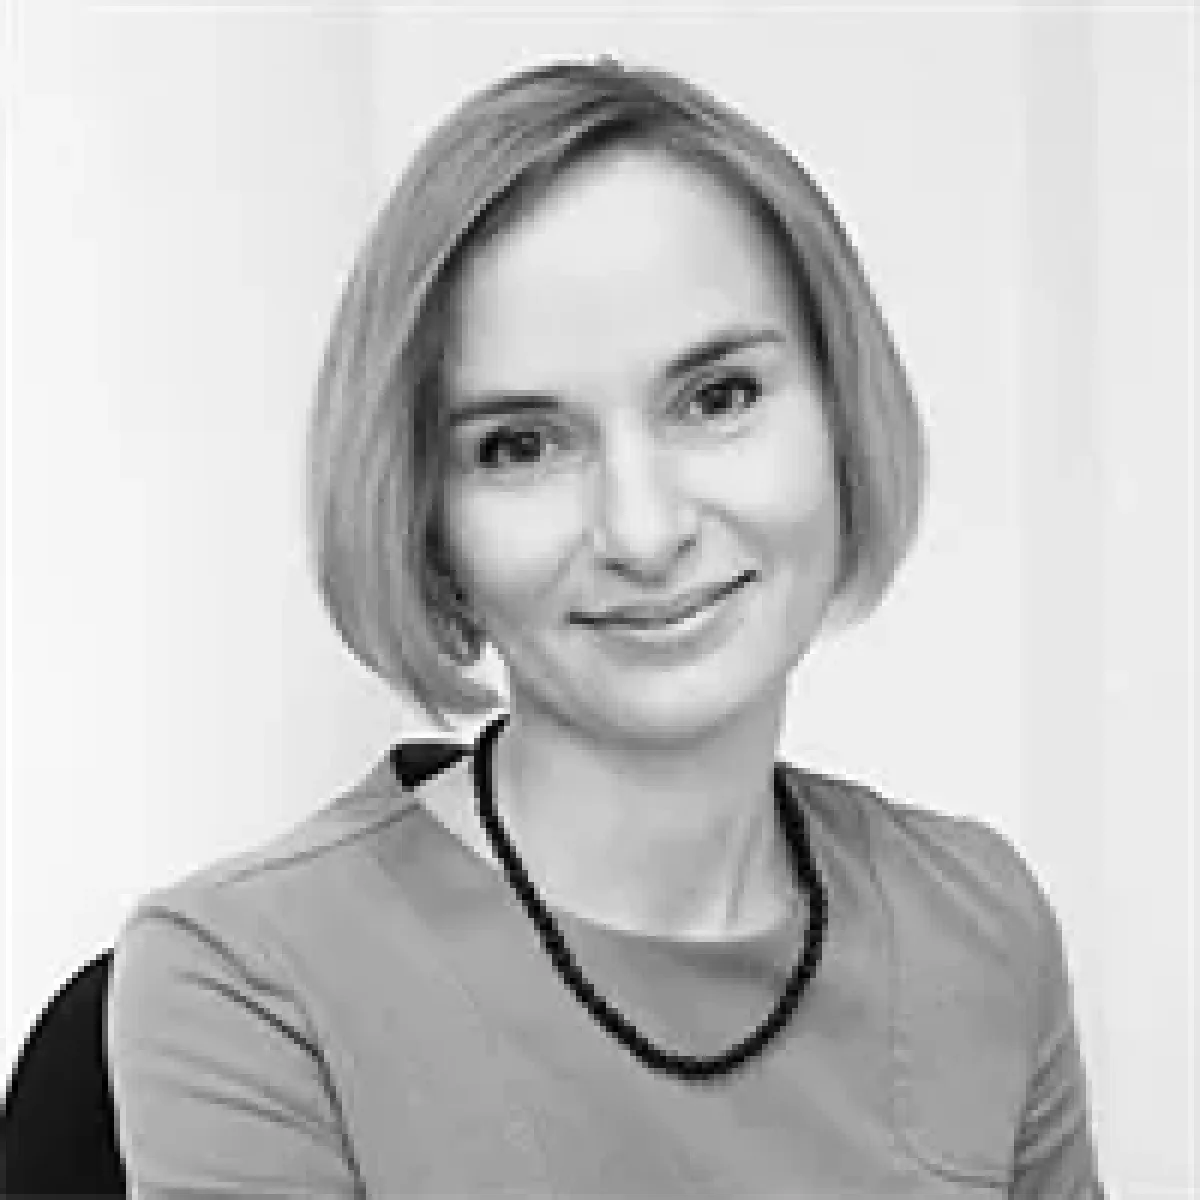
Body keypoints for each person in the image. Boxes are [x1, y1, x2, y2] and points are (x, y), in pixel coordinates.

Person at [105, 55, 1105, 1198]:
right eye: (521, 446)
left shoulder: (980, 925)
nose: (644, 529)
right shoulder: (249, 981)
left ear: (841, 418)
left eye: (718, 397)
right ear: (425, 518)